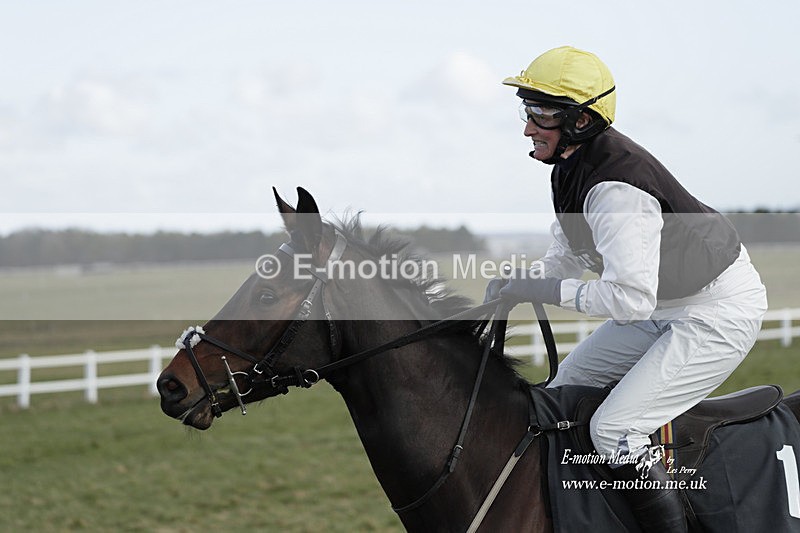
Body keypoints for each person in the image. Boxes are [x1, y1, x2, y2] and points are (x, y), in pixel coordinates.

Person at [485, 46, 768, 533]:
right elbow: (568, 254)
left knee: (615, 429)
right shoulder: (571, 167)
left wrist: (551, 289)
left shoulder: (616, 189)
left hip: (716, 312)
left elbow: (628, 300)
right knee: (557, 398)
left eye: (540, 113)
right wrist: (520, 283)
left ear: (578, 120)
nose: (528, 126)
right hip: (661, 305)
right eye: (526, 110)